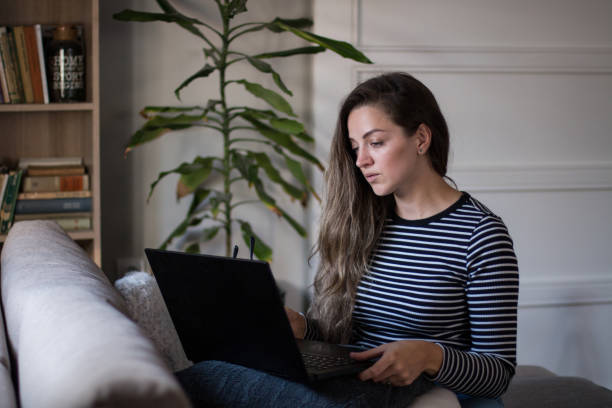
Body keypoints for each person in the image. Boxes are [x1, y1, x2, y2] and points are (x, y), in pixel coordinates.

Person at [176, 72, 519, 408]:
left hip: (423, 394)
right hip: (351, 384)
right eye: (355, 147)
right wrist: (303, 328)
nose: (361, 161)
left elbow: (497, 373)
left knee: (205, 382)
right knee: (206, 375)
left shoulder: (480, 235)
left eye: (376, 142)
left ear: (421, 139)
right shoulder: (361, 223)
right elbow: (344, 340)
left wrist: (429, 356)